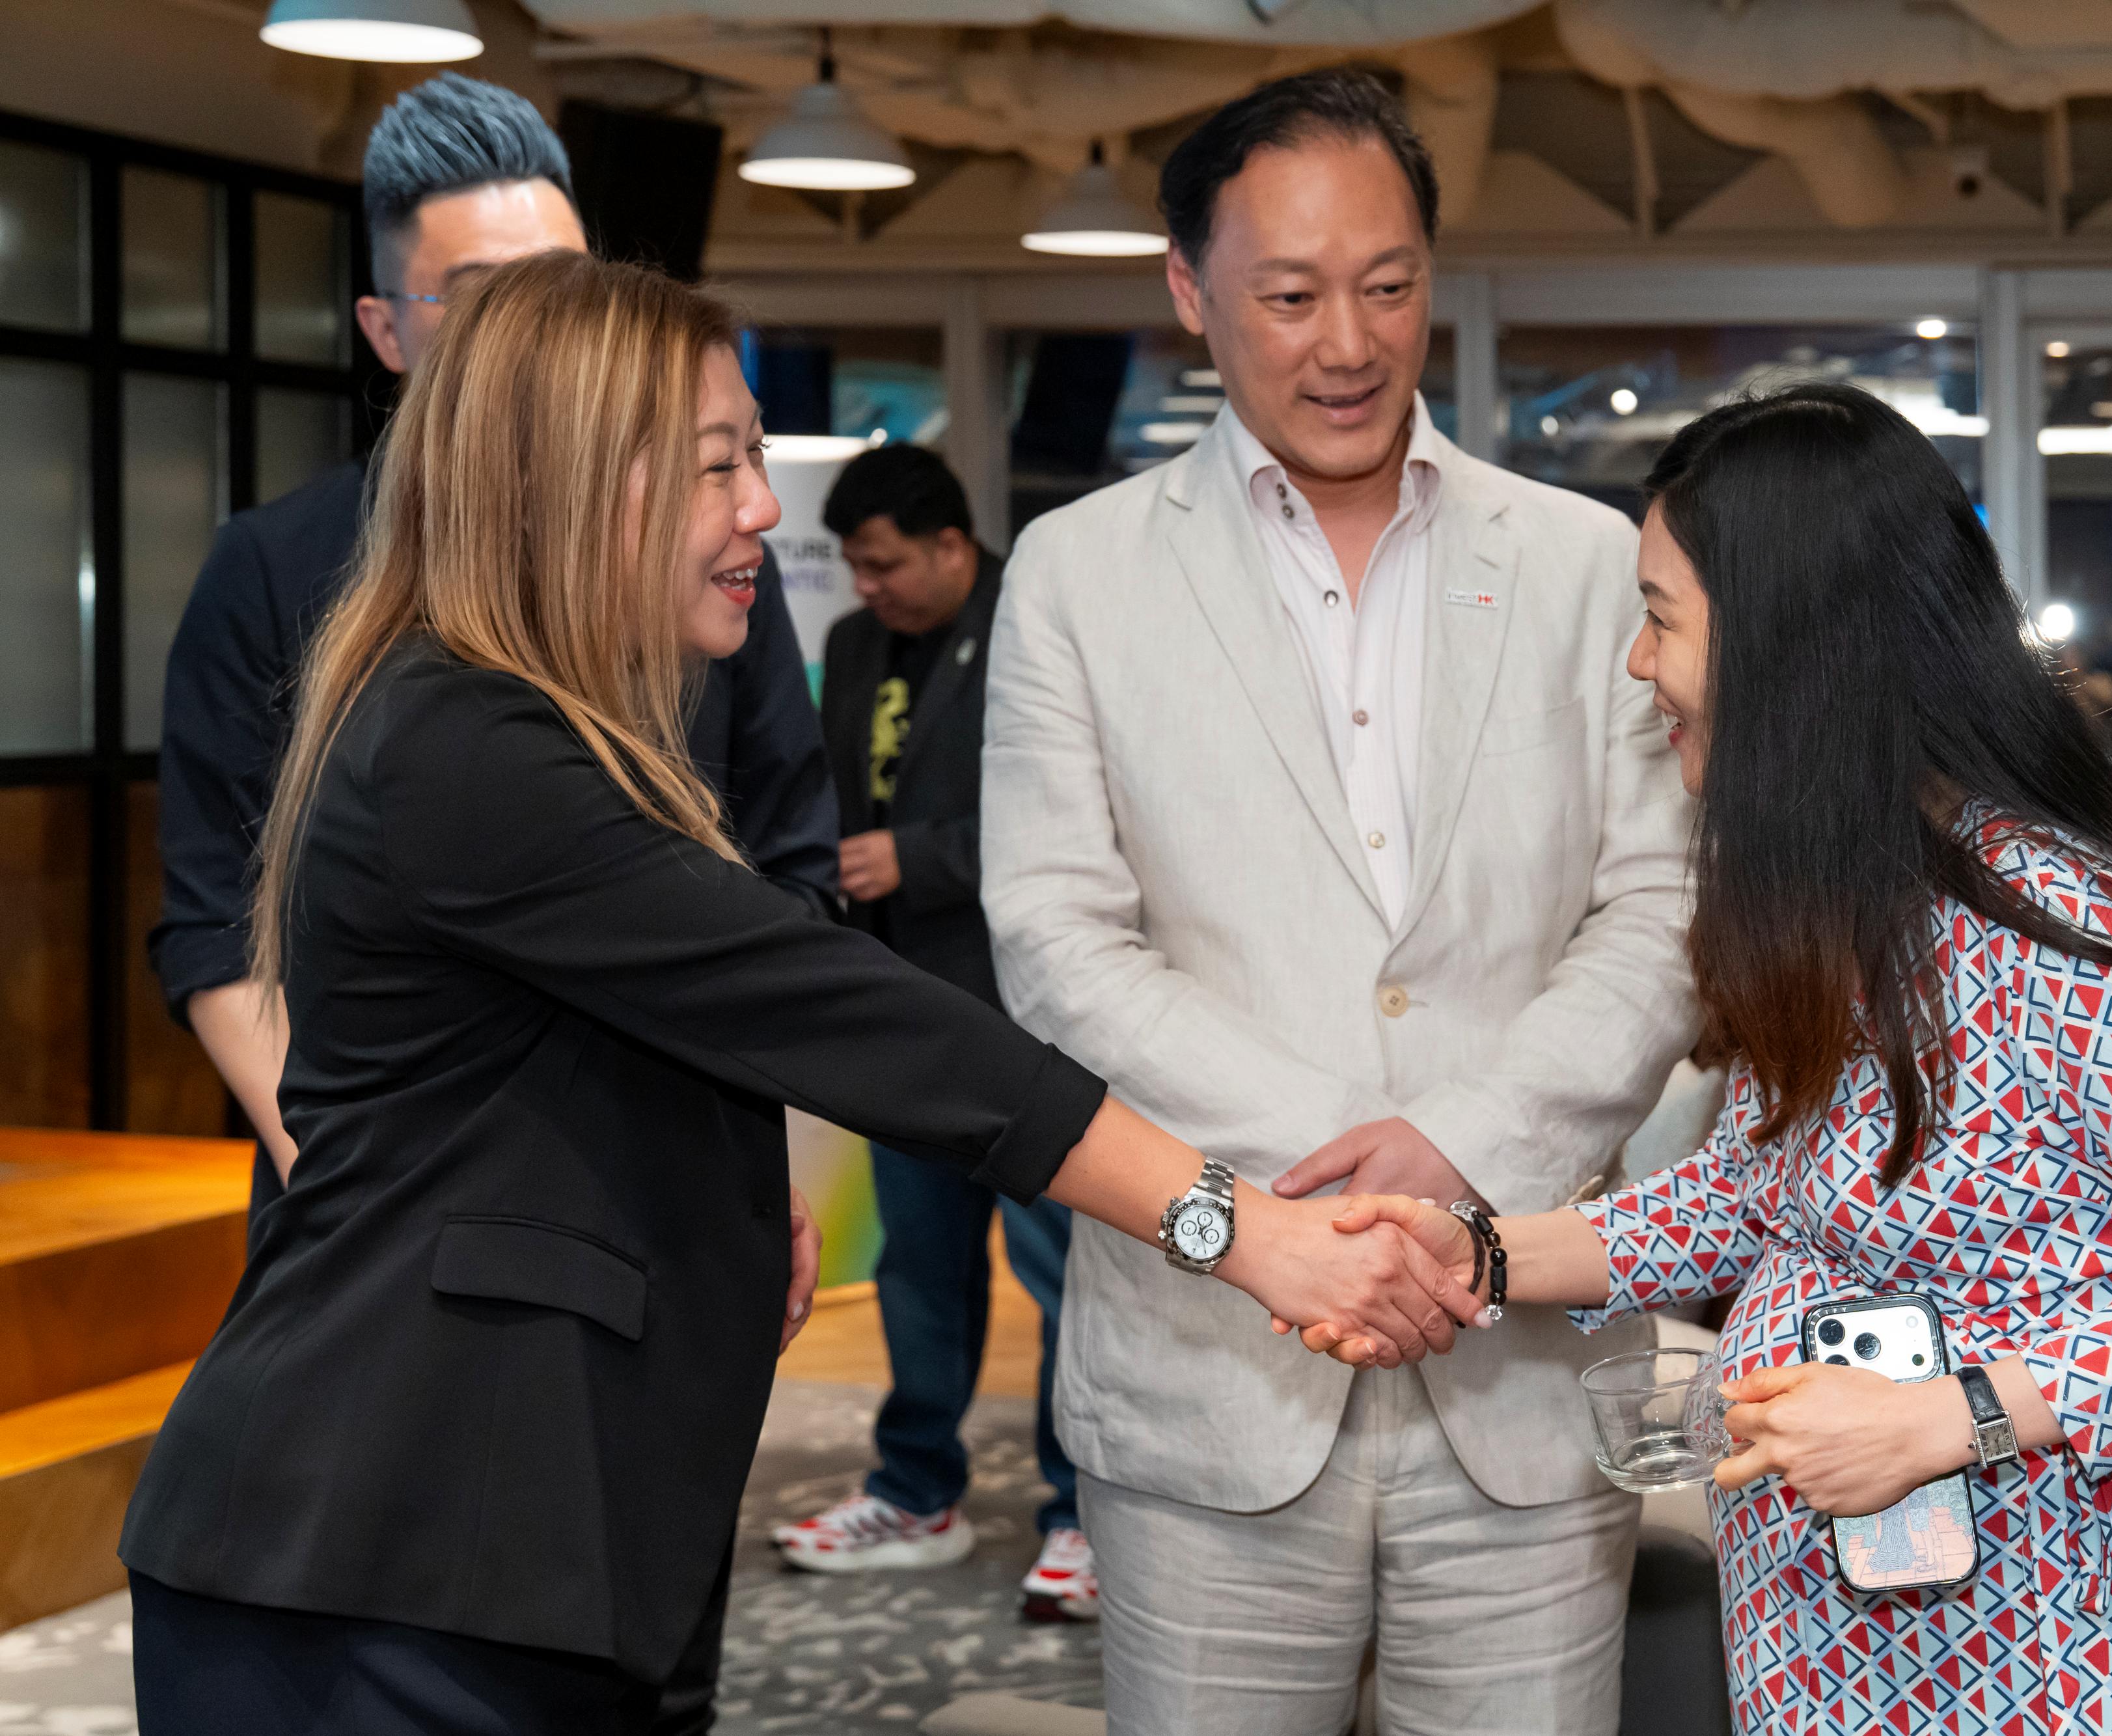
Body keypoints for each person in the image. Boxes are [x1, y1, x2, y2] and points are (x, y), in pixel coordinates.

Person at [117, 250, 1479, 1736]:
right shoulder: (466, 747)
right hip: (375, 1553)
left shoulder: (542, 727)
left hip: (514, 1547)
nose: (766, 509)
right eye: (719, 466)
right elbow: (846, 1016)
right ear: (572, 482)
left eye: (754, 458)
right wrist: (1238, 1229)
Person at [1312, 381, 2112, 1735]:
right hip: (1909, 1637)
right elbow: (1755, 1192)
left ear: (1788, 643)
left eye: (1660, 617)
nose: (1639, 664)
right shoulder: (1853, 904)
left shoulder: (2047, 909)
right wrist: (1475, 1254)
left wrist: (1953, 1418)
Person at [980, 71, 1698, 1734]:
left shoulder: (1581, 560)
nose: (1349, 344)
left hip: (1523, 1374)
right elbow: (1056, 943)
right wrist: (1348, 1185)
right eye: (1290, 297)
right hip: (1207, 1375)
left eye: (1386, 285)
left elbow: (1661, 910)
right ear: (1189, 291)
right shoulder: (1078, 575)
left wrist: (1456, 1149)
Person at [149, 72, 838, 1210]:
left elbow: (794, 874)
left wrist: (738, 1160)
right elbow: (219, 932)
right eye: (484, 298)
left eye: (567, 287)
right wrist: (364, 1182)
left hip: (671, 1200)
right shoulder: (274, 568)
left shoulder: (704, 556)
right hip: (383, 1209)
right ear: (386, 331)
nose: (543, 333)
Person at [770, 445, 1093, 1622]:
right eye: (855, 567)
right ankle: (916, 1492)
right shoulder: (856, 645)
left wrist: (919, 857)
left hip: (1024, 1015)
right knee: (918, 1270)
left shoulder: (1036, 621)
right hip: (901, 1011)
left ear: (953, 547)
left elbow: (1074, 809)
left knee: (1060, 1277)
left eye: (885, 564)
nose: (867, 588)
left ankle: (1084, 1511)